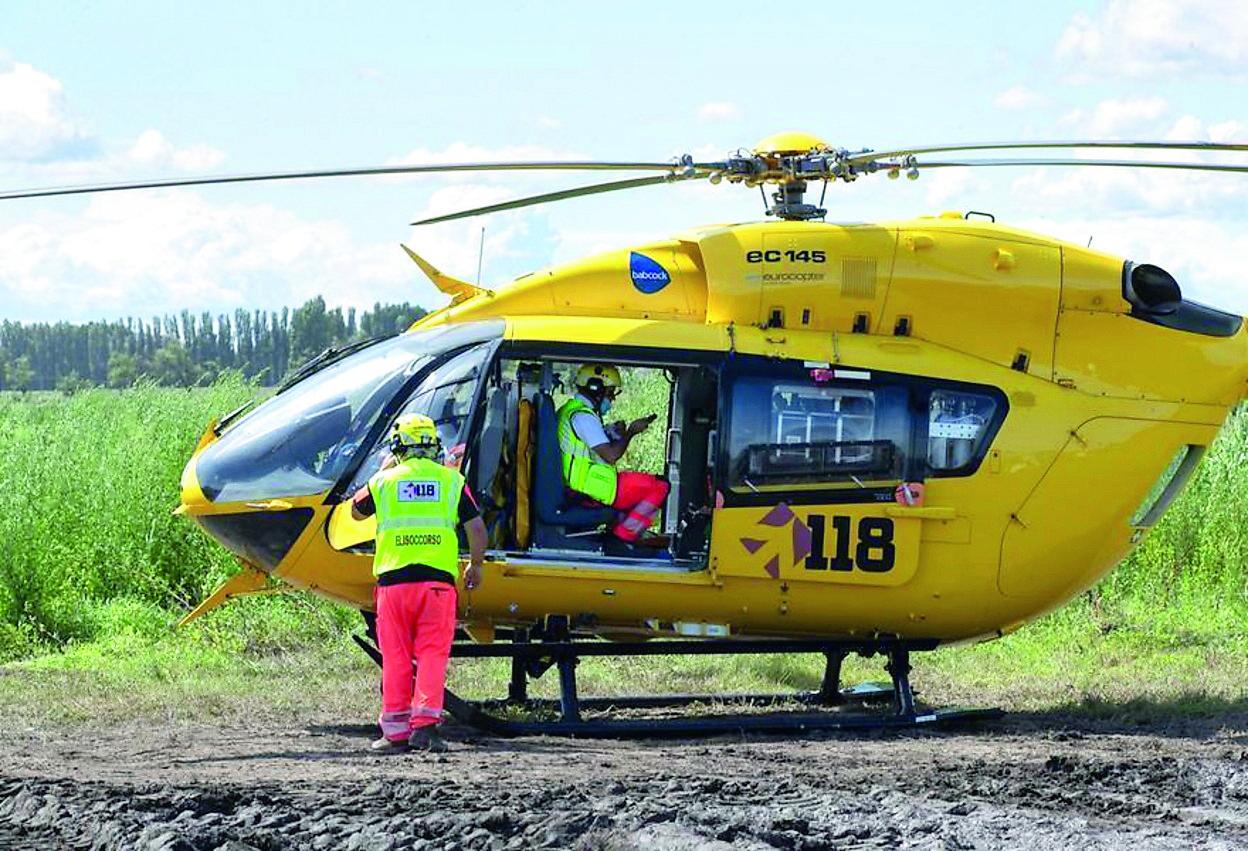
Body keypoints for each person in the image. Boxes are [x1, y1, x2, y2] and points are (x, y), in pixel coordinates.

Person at [351, 412, 487, 754]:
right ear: (433, 446)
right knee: (432, 655)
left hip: (393, 585)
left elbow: (355, 511)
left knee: (395, 656)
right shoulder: (452, 481)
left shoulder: (384, 482)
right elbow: (477, 530)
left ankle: (393, 733)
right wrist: (475, 566)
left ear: (398, 447)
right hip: (437, 586)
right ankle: (425, 729)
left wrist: (382, 471)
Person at [557, 364, 670, 546]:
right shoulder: (583, 417)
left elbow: (586, 446)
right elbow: (611, 455)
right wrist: (631, 432)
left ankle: (624, 530)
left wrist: (610, 432)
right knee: (661, 486)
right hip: (590, 488)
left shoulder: (570, 410)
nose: (612, 399)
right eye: (610, 393)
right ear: (596, 388)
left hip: (582, 484)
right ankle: (623, 538)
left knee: (646, 484)